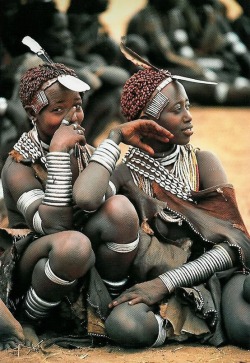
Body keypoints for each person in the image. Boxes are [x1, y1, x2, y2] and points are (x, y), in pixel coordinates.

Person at [0, 57, 172, 350]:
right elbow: (54, 226)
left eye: (77, 105)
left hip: (84, 259)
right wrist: (55, 154)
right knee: (73, 245)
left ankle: (107, 305)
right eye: (58, 109)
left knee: (119, 211)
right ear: (32, 113)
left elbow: (97, 199)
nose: (72, 117)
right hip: (37, 262)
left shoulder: (83, 151)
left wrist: (113, 139)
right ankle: (32, 319)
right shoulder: (19, 165)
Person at [98, 46, 250, 349]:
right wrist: (114, 138)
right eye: (176, 109)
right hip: (163, 290)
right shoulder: (123, 176)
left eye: (188, 106)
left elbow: (237, 245)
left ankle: (208, 319)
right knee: (123, 325)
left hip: (217, 275)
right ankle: (187, 322)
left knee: (246, 329)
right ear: (147, 121)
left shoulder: (202, 162)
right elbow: (87, 200)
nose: (189, 117)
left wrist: (165, 283)